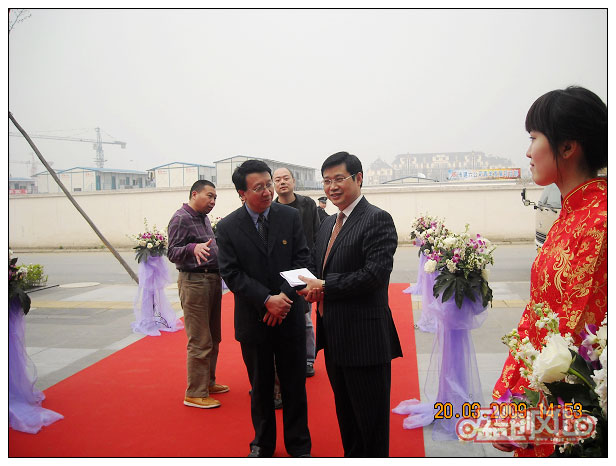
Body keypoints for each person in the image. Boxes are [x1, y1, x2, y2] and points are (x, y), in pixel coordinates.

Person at [492, 86, 607, 457]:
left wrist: (522, 408)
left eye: (534, 138)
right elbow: (538, 315)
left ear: (568, 146)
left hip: (566, 408)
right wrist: (509, 397)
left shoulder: (598, 222)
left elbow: (571, 334)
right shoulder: (571, 214)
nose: (528, 152)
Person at [298, 151, 402, 457]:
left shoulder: (377, 219)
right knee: (347, 420)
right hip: (334, 337)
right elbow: (319, 267)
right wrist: (309, 284)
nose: (332, 187)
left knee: (371, 426)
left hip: (365, 341)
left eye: (339, 179)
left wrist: (325, 286)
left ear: (358, 178)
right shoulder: (328, 222)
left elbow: (374, 275)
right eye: (326, 181)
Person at [216, 160, 312, 458]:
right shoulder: (228, 227)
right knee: (260, 386)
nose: (268, 191)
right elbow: (231, 273)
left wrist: (282, 298)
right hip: (254, 319)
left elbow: (302, 260)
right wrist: (266, 300)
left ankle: (299, 444)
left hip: (289, 314)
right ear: (242, 193)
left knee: (294, 384)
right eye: (259, 188)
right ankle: (262, 443)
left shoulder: (290, 217)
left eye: (269, 184)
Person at [167, 180, 228, 409]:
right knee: (200, 339)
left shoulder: (203, 217)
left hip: (211, 279)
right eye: (209, 196)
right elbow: (172, 252)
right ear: (194, 194)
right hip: (194, 282)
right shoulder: (180, 218)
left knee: (214, 336)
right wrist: (193, 248)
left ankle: (208, 382)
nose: (213, 201)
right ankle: (195, 392)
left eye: (215, 198)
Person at [273, 167, 320, 378]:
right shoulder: (271, 208)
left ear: (293, 181)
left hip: (304, 269)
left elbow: (317, 235)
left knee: (305, 318)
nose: (282, 182)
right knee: (284, 315)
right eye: (277, 180)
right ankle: (286, 358)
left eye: (286, 178)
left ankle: (308, 360)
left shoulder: (308, 204)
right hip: (281, 271)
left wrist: (314, 269)